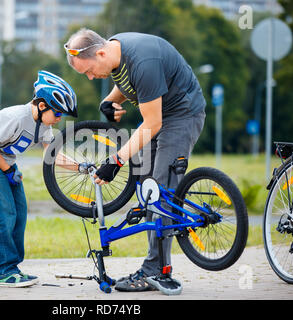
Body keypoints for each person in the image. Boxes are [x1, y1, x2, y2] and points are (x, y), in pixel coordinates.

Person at [64, 29, 206, 295]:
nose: (92, 77)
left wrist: (115, 161)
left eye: (90, 70)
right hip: (161, 114)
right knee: (146, 186)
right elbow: (128, 83)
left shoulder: (143, 62)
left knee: (160, 191)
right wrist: (109, 100)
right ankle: (155, 257)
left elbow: (153, 123)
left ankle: (156, 270)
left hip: (182, 115)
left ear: (101, 52)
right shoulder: (116, 53)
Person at [0, 70, 78, 287]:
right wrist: (8, 171)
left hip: (6, 161)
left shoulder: (44, 125)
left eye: (61, 116)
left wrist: (81, 167)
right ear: (42, 105)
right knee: (5, 215)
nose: (59, 119)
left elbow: (52, 153)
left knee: (20, 214)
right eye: (58, 114)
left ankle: (14, 268)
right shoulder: (17, 118)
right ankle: (3, 271)